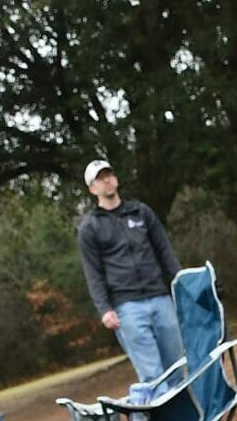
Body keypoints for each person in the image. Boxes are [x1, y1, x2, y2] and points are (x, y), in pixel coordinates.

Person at [77, 159, 186, 390]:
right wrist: (104, 309)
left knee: (177, 367)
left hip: (160, 298)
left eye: (108, 174)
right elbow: (92, 272)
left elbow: (164, 250)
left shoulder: (141, 212)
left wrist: (181, 282)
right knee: (152, 376)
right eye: (100, 178)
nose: (106, 180)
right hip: (127, 307)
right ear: (92, 188)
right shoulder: (90, 227)